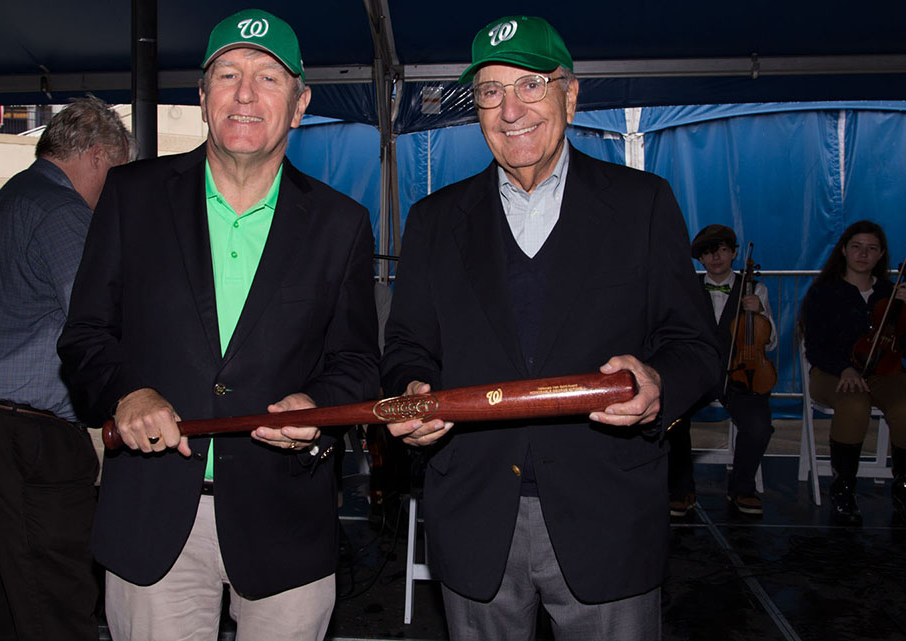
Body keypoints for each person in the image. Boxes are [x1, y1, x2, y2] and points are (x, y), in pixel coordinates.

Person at [380, 15, 719, 641]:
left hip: (607, 515)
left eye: (531, 85)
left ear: (570, 92)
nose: (510, 110)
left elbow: (695, 344)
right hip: (474, 515)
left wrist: (656, 384)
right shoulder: (433, 220)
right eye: (490, 92)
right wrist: (414, 388)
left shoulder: (642, 204)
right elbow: (406, 345)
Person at [57, 9, 380, 641]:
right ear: (202, 97)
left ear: (299, 102)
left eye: (268, 77)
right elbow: (84, 336)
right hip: (153, 519)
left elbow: (358, 362)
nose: (245, 93)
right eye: (227, 74)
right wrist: (128, 391)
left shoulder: (341, 224)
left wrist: (317, 405)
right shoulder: (132, 197)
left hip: (285, 518)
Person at [0, 96, 132, 641]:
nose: (113, 193)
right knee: (57, 588)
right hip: (24, 431)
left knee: (15, 573)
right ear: (97, 156)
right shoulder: (63, 215)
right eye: (116, 175)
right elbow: (99, 321)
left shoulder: (14, 195)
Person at [666, 225, 777, 518]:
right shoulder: (688, 289)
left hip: (742, 373)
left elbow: (772, 340)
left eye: (722, 250)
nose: (715, 257)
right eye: (707, 252)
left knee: (759, 425)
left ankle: (742, 487)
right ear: (700, 260)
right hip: (700, 374)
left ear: (734, 253)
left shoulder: (755, 288)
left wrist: (760, 312)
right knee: (673, 418)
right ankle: (681, 490)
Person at [800, 220, 906, 525]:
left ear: (881, 254)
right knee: (854, 403)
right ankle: (844, 489)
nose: (864, 253)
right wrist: (844, 368)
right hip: (832, 372)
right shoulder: (825, 293)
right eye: (857, 246)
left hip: (884, 372)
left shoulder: (891, 292)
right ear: (844, 249)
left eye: (872, 248)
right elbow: (816, 347)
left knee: (905, 407)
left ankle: (902, 487)